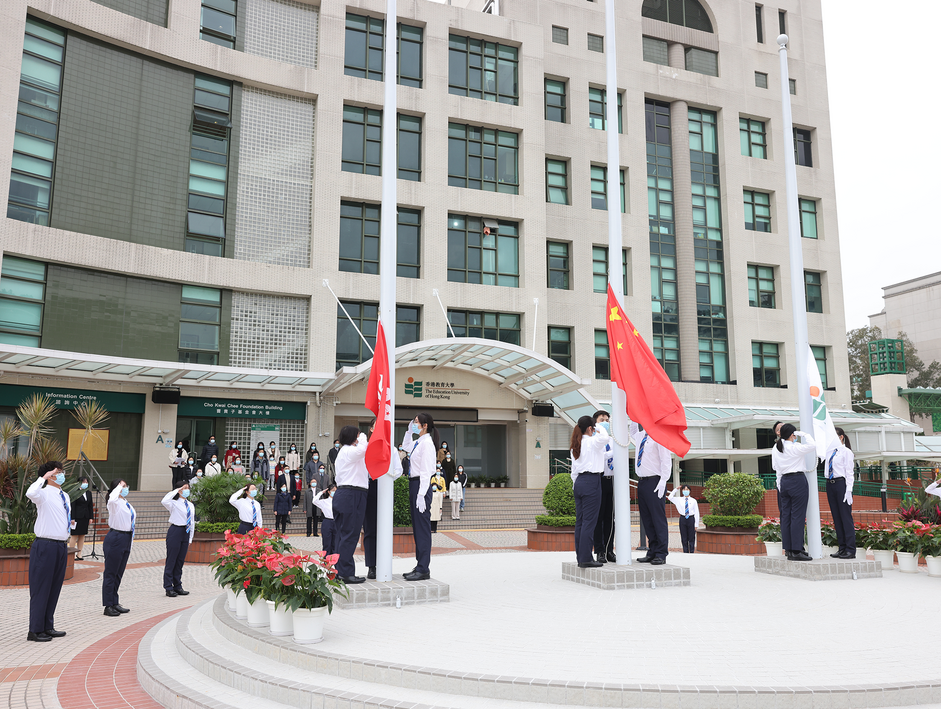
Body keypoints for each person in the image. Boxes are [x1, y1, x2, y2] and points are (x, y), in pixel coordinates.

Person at [26, 461, 70, 642]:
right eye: (58, 472)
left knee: (54, 588)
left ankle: (47, 626)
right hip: (45, 545)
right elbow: (30, 493)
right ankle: (35, 630)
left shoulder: (65, 495)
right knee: (41, 588)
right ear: (50, 475)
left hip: (60, 545)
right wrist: (42, 478)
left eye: (62, 472)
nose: (62, 475)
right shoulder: (42, 493)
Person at [771, 423, 816, 561]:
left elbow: (775, 466)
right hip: (797, 480)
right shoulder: (794, 447)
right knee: (797, 515)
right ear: (792, 435)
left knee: (786, 516)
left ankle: (789, 549)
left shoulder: (777, 447)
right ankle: (797, 550)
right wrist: (804, 434)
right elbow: (812, 445)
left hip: (784, 481)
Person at [570, 415, 609, 569]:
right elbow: (605, 438)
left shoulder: (576, 445)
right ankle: (586, 558)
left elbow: (573, 471)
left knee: (580, 522)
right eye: (593, 427)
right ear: (589, 428)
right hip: (591, 482)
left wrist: (576, 485)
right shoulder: (593, 441)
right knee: (589, 522)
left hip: (579, 482)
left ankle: (581, 556)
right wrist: (600, 427)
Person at [402, 413, 437, 581]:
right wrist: (408, 432)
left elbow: (426, 471)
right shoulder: (419, 442)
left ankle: (424, 568)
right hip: (414, 484)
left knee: (422, 529)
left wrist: (421, 494)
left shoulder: (427, 444)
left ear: (425, 425)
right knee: (417, 527)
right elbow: (406, 447)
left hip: (421, 486)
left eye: (415, 422)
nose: (413, 424)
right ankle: (419, 565)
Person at [332, 426, 369, 584]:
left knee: (343, 535)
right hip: (352, 494)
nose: (360, 437)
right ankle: (346, 573)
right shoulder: (348, 451)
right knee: (350, 535)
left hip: (346, 494)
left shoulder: (347, 452)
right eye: (358, 435)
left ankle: (340, 571)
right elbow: (362, 450)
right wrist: (364, 438)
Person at [631, 422, 672, 565]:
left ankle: (661, 553)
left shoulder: (660, 436)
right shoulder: (641, 436)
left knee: (657, 519)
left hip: (655, 481)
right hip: (642, 482)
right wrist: (633, 418)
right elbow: (632, 431)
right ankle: (652, 551)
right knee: (647, 519)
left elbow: (666, 461)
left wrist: (663, 481)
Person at [102, 479, 135, 617]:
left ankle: (115, 602)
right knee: (111, 573)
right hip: (116, 537)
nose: (125, 488)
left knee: (118, 573)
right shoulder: (113, 502)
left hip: (126, 538)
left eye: (126, 485)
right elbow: (111, 499)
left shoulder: (125, 502)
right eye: (123, 486)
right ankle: (108, 605)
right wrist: (117, 488)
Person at [825, 427, 856, 559]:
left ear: (841, 437)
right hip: (830, 484)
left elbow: (849, 472)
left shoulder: (846, 452)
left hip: (841, 483)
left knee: (845, 517)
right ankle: (842, 547)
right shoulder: (829, 452)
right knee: (836, 517)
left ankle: (850, 549)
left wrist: (849, 489)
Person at [592, 409, 616, 563]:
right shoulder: (593, 440)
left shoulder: (613, 440)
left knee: (610, 518)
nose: (605, 423)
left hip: (611, 480)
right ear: (595, 423)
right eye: (602, 420)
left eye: (607, 420)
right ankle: (599, 551)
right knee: (598, 518)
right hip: (598, 479)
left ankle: (609, 550)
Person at [161, 483, 194, 597]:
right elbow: (164, 501)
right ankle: (168, 587)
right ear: (179, 490)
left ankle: (178, 586)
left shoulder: (190, 504)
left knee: (180, 561)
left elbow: (192, 521)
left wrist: (190, 538)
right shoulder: (173, 503)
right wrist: (176, 490)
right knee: (172, 560)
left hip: (186, 531)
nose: (187, 490)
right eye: (184, 488)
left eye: (188, 488)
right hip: (175, 531)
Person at [667, 485, 702, 553]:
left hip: (691, 518)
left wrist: (696, 524)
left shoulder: (693, 501)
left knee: (691, 536)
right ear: (682, 491)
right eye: (684, 490)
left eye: (687, 489)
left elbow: (697, 512)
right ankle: (685, 551)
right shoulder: (679, 500)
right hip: (683, 518)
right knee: (684, 536)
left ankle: (691, 551)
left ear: (689, 491)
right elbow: (670, 497)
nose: (685, 491)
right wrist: (675, 489)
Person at [71, 476, 94, 561]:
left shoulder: (88, 493)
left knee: (82, 535)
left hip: (85, 516)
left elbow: (90, 506)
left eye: (86, 482)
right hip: (76, 517)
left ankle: (79, 553)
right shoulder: (75, 492)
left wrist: (91, 517)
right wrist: (72, 518)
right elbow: (72, 506)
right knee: (74, 535)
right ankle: (71, 553)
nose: (85, 483)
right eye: (84, 482)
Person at [313, 484, 337, 555]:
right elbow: (314, 501)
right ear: (329, 492)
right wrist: (321, 492)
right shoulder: (324, 501)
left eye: (336, 491)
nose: (334, 492)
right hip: (327, 521)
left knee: (335, 543)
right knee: (327, 542)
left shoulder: (339, 501)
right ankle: (326, 560)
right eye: (333, 491)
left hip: (336, 522)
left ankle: (334, 560)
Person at [430, 469, 444, 533]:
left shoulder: (438, 493)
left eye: (435, 486)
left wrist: (440, 507)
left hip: (437, 507)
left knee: (435, 519)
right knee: (431, 518)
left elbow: (440, 500)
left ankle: (435, 529)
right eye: (433, 486)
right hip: (431, 507)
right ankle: (431, 529)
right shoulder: (430, 493)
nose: (434, 487)